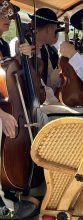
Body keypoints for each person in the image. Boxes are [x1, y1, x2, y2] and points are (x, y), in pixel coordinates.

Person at [0, 10, 38, 219]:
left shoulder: (3, 45)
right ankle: (3, 204)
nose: (8, 20)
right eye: (2, 16)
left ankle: (10, 192)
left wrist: (22, 57)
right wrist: (2, 115)